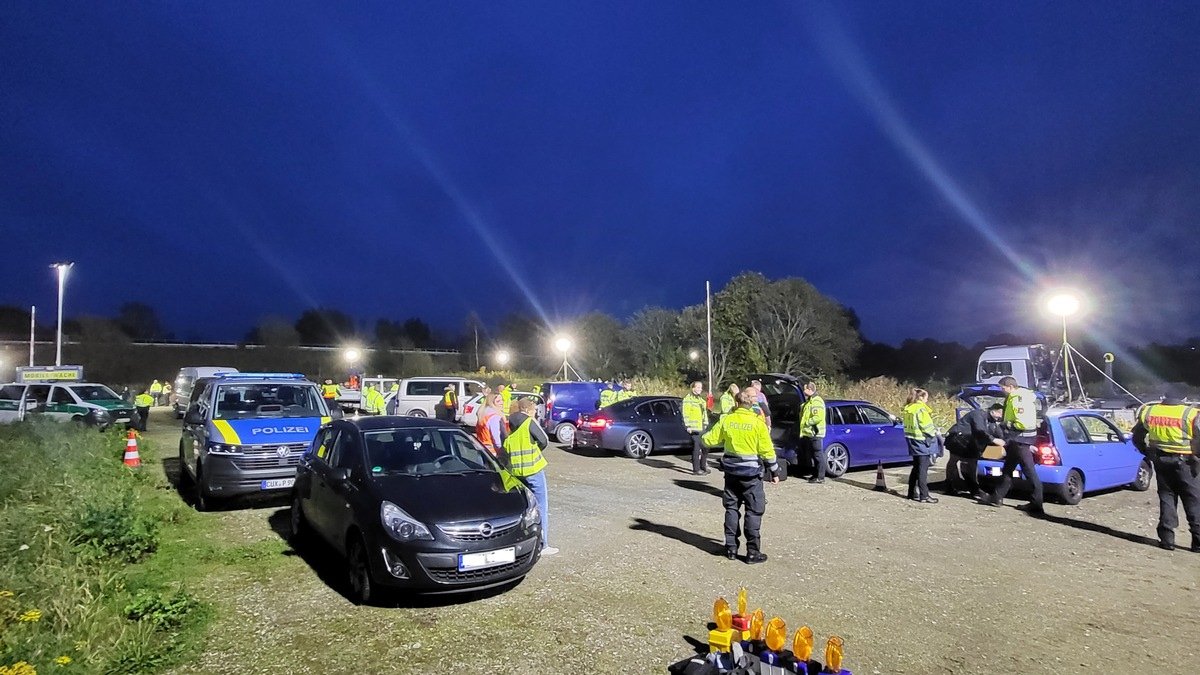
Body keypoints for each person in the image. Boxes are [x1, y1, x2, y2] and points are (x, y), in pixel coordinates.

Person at [702, 389, 782, 564]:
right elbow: (767, 451)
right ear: (751, 405)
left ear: (736, 404)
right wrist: (774, 472)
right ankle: (752, 552)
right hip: (751, 476)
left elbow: (708, 440)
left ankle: (731, 547)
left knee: (731, 509)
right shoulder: (757, 423)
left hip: (731, 474)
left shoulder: (727, 420)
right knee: (753, 511)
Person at [1130, 393, 1200, 551]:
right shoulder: (1190, 413)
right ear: (1183, 399)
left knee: (1167, 498)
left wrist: (1147, 452)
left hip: (1161, 461)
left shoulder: (1150, 411)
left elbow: (1137, 436)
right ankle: (1198, 542)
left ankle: (1167, 539)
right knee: (1193, 500)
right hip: (1186, 463)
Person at [981, 376, 1045, 516]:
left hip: (1020, 440)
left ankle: (1037, 503)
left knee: (1029, 473)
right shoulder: (1021, 397)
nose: (1002, 390)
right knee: (1008, 469)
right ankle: (996, 497)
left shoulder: (1018, 399)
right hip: (1019, 440)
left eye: (1002, 388)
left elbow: (1022, 423)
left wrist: (1006, 425)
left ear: (1010, 387)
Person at [505, 399, 557, 555]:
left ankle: (521, 542)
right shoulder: (529, 422)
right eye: (534, 410)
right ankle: (543, 544)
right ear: (527, 409)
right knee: (541, 507)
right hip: (533, 470)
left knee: (524, 508)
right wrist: (536, 450)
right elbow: (543, 440)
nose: (535, 412)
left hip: (517, 471)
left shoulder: (511, 424)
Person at [944, 403, 1004, 498]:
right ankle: (953, 485)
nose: (1000, 417)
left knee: (969, 463)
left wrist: (1005, 441)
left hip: (968, 443)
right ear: (993, 411)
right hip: (957, 439)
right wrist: (994, 440)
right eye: (1000, 414)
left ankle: (965, 486)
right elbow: (980, 430)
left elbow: (997, 433)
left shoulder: (991, 421)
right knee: (956, 461)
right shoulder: (978, 414)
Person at [902, 388, 940, 504]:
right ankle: (924, 495)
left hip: (912, 441)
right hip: (922, 442)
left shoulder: (908, 408)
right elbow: (927, 427)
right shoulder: (920, 409)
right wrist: (935, 432)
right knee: (923, 470)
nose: (927, 400)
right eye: (926, 398)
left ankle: (911, 493)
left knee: (916, 468)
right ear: (921, 398)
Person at [799, 382, 828, 483]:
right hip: (809, 433)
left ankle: (820, 477)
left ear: (810, 390)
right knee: (813, 456)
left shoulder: (816, 401)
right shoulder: (809, 402)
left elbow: (818, 417)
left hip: (815, 433)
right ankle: (815, 475)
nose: (803, 391)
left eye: (805, 389)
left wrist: (807, 423)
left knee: (818, 455)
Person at [682, 381, 710, 475]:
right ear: (693, 388)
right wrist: (688, 426)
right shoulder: (688, 399)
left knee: (705, 448)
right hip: (694, 428)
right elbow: (685, 414)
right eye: (698, 387)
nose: (700, 389)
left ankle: (703, 466)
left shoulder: (700, 400)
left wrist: (706, 423)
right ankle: (696, 469)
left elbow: (704, 412)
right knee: (696, 449)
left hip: (702, 427)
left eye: (701, 388)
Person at [476, 394, 509, 459]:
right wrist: (502, 449)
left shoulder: (483, 414)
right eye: (498, 401)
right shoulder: (494, 417)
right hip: (493, 452)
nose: (502, 402)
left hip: (482, 449)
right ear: (491, 403)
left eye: (502, 400)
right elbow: (496, 435)